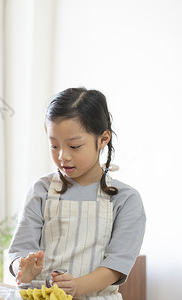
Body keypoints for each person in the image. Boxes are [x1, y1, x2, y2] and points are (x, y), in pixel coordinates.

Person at [8, 88, 146, 299]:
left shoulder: (125, 199)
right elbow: (20, 249)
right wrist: (22, 268)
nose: (63, 156)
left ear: (103, 139)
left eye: (74, 146)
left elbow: (117, 264)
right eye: (54, 145)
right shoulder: (41, 190)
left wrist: (78, 286)